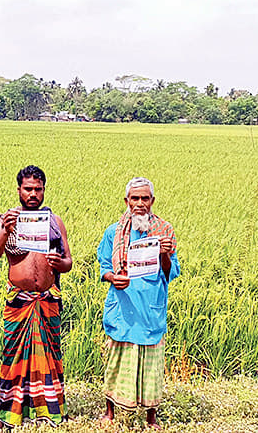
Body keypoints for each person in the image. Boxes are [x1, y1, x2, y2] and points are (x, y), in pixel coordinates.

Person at [0, 165, 72, 429]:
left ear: (44, 190)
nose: (33, 194)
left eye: (38, 189)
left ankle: (53, 411)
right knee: (14, 357)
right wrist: (5, 232)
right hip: (19, 301)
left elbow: (68, 262)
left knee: (51, 356)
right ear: (19, 190)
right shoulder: (6, 220)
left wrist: (60, 262)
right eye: (28, 189)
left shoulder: (55, 223)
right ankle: (9, 415)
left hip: (47, 299)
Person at [96, 177, 180, 429]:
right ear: (127, 201)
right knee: (116, 360)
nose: (140, 203)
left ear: (152, 201)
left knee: (150, 366)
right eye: (135, 198)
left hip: (150, 308)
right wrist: (113, 277)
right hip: (123, 306)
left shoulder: (164, 231)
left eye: (145, 198)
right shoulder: (114, 232)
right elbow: (104, 266)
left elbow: (170, 272)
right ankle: (110, 411)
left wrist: (165, 253)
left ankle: (151, 416)